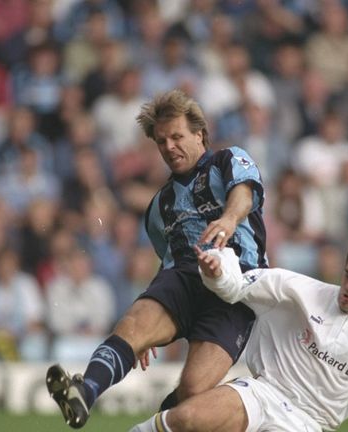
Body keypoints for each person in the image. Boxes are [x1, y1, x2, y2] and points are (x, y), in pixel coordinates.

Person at [46, 89, 267, 428]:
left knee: (194, 388)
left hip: (237, 286)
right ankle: (84, 391)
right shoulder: (159, 206)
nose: (169, 147)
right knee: (132, 326)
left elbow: (244, 195)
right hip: (185, 278)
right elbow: (167, 262)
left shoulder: (227, 160)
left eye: (177, 137)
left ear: (200, 134)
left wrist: (228, 219)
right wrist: (150, 326)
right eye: (161, 141)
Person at [130, 240, 348, 432]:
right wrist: (216, 272)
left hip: (307, 423)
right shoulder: (299, 290)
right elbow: (236, 286)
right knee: (186, 417)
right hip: (262, 392)